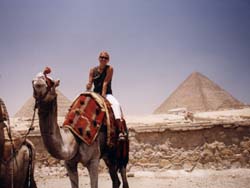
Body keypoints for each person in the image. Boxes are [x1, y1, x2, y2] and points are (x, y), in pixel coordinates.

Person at [86, 51, 127, 140]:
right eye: (102, 57)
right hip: (95, 93)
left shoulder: (110, 69)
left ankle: (120, 131)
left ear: (108, 60)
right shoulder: (92, 70)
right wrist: (88, 85)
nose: (103, 59)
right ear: (98, 58)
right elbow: (89, 83)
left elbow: (105, 83)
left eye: (105, 58)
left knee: (116, 105)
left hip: (106, 94)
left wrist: (103, 96)